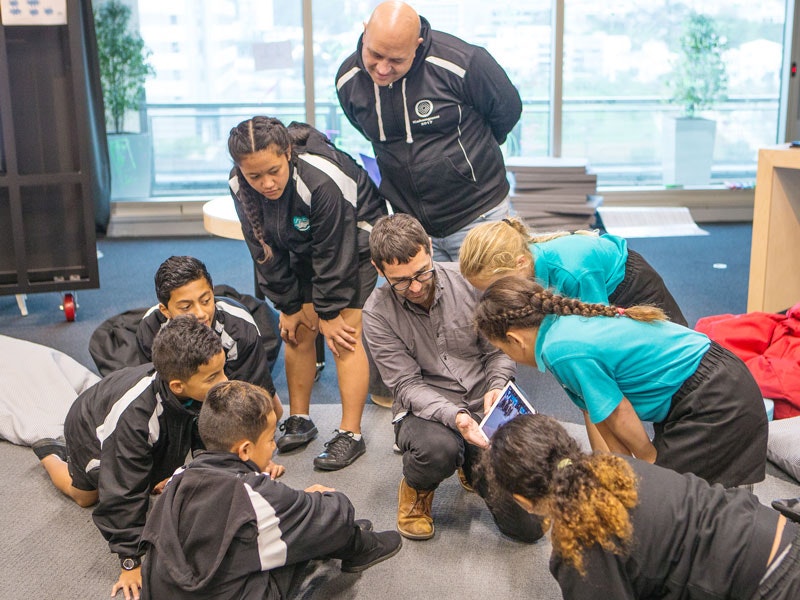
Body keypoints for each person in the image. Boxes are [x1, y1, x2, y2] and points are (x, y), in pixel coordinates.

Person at [473, 275, 767, 489]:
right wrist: (619, 473)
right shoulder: (559, 326)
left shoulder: (560, 350)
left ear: (513, 339)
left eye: (502, 349)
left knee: (669, 495)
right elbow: (601, 415)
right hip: (710, 385)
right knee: (652, 490)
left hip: (718, 398)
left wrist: (649, 463)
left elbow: (619, 412)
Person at [362, 213, 544, 542]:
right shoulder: (376, 313)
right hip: (426, 413)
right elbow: (406, 385)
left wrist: (497, 386)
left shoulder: (469, 283)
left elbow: (498, 350)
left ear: (430, 248)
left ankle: (471, 462)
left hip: (484, 403)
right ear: (378, 269)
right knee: (438, 450)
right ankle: (418, 489)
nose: (415, 287)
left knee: (528, 529)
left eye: (421, 272)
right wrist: (456, 417)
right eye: (401, 281)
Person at [484, 413, 800, 600]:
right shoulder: (613, 465)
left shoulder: (576, 548)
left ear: (524, 500)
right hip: (780, 530)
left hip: (772, 584)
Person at [140, 380, 402, 599]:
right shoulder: (253, 494)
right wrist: (318, 498)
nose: (274, 447)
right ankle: (363, 547)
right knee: (318, 524)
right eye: (269, 439)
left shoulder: (178, 478)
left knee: (291, 520)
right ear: (244, 450)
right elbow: (337, 514)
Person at [30, 316, 232, 600]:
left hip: (139, 429)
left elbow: (205, 438)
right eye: (213, 377)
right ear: (177, 386)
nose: (225, 382)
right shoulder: (134, 419)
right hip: (91, 430)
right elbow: (121, 491)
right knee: (89, 496)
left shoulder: (193, 384)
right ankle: (51, 452)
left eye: (223, 370)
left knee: (147, 473)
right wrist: (130, 561)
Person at [228, 117, 386, 470]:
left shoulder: (322, 179)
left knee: (344, 334)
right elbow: (262, 247)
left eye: (273, 171)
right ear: (240, 169)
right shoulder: (239, 184)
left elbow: (336, 252)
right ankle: (300, 419)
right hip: (297, 242)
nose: (266, 183)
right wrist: (289, 305)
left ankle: (351, 433)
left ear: (288, 154)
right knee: (297, 331)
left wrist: (328, 313)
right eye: (255, 176)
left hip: (355, 240)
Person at [336, 1, 521, 261]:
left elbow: (507, 111)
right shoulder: (348, 80)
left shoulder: (464, 62)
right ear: (365, 33)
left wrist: (466, 161)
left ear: (418, 43)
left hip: (479, 215)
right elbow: (367, 132)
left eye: (396, 60)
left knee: (492, 300)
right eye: (375, 55)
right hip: (414, 229)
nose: (383, 68)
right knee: (432, 301)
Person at [459, 217, 687, 326]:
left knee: (673, 343)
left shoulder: (572, 272)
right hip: (595, 276)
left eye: (497, 286)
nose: (497, 294)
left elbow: (598, 324)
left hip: (633, 284)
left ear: (520, 263)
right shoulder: (525, 261)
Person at [137, 255, 283, 422]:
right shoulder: (150, 329)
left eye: (206, 300)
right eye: (186, 307)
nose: (201, 314)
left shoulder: (241, 330)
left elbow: (257, 403)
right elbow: (156, 395)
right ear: (165, 310)